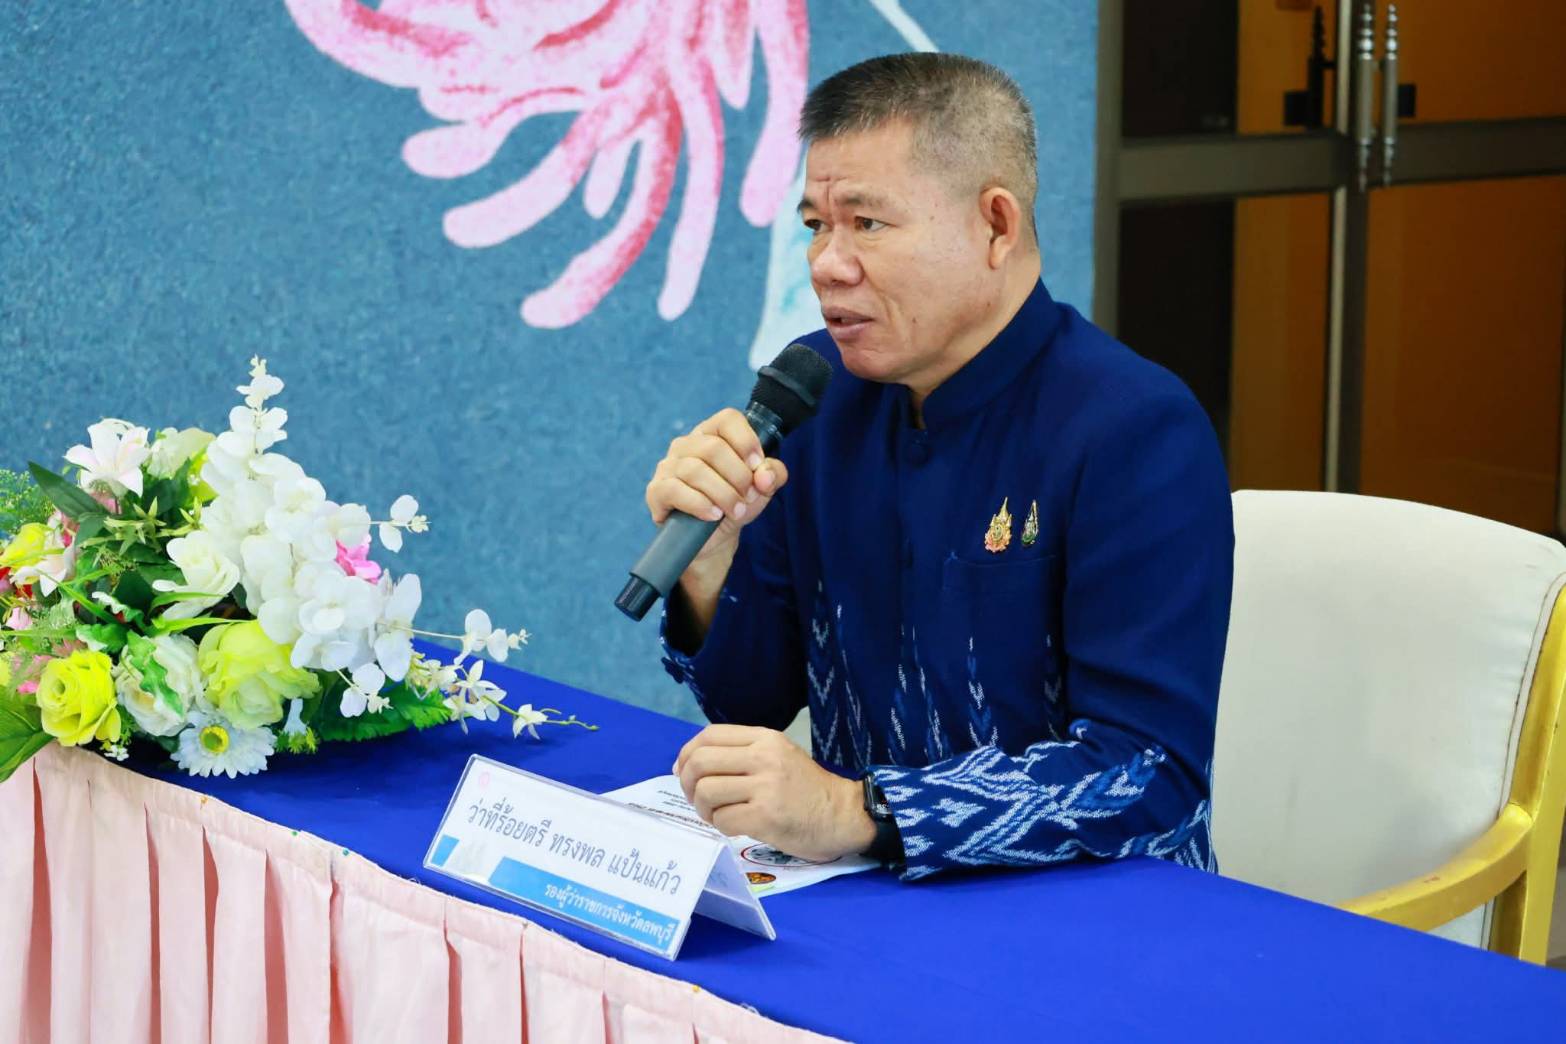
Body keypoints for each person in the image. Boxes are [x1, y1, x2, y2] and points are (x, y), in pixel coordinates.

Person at [649, 53, 1233, 880]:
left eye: (867, 223)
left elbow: (1146, 773)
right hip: (865, 888)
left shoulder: (1135, 428)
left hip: (1090, 908)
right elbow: (750, 705)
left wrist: (859, 812)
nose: (827, 263)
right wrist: (709, 568)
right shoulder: (819, 395)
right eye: (816, 225)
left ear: (995, 226)